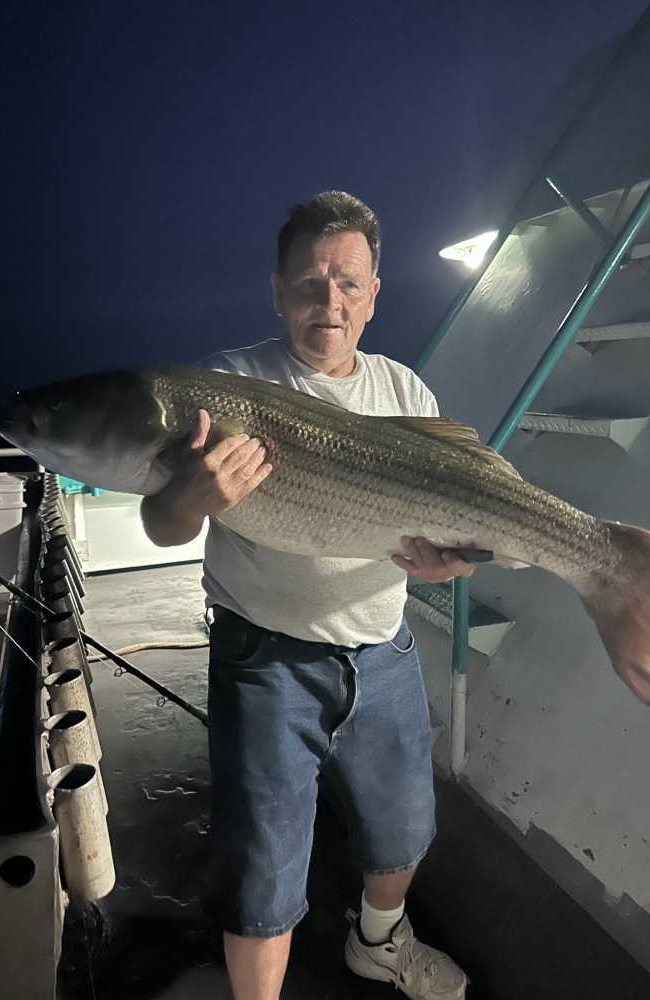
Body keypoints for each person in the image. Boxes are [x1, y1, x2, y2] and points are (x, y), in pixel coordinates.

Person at [141, 191, 473, 1000]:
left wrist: (449, 565)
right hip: (266, 658)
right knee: (263, 863)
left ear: (373, 294)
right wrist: (197, 495)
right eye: (311, 281)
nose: (330, 301)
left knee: (403, 831)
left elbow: (456, 540)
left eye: (348, 283)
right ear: (279, 289)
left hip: (383, 651)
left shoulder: (405, 392)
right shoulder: (225, 386)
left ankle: (379, 942)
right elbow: (160, 524)